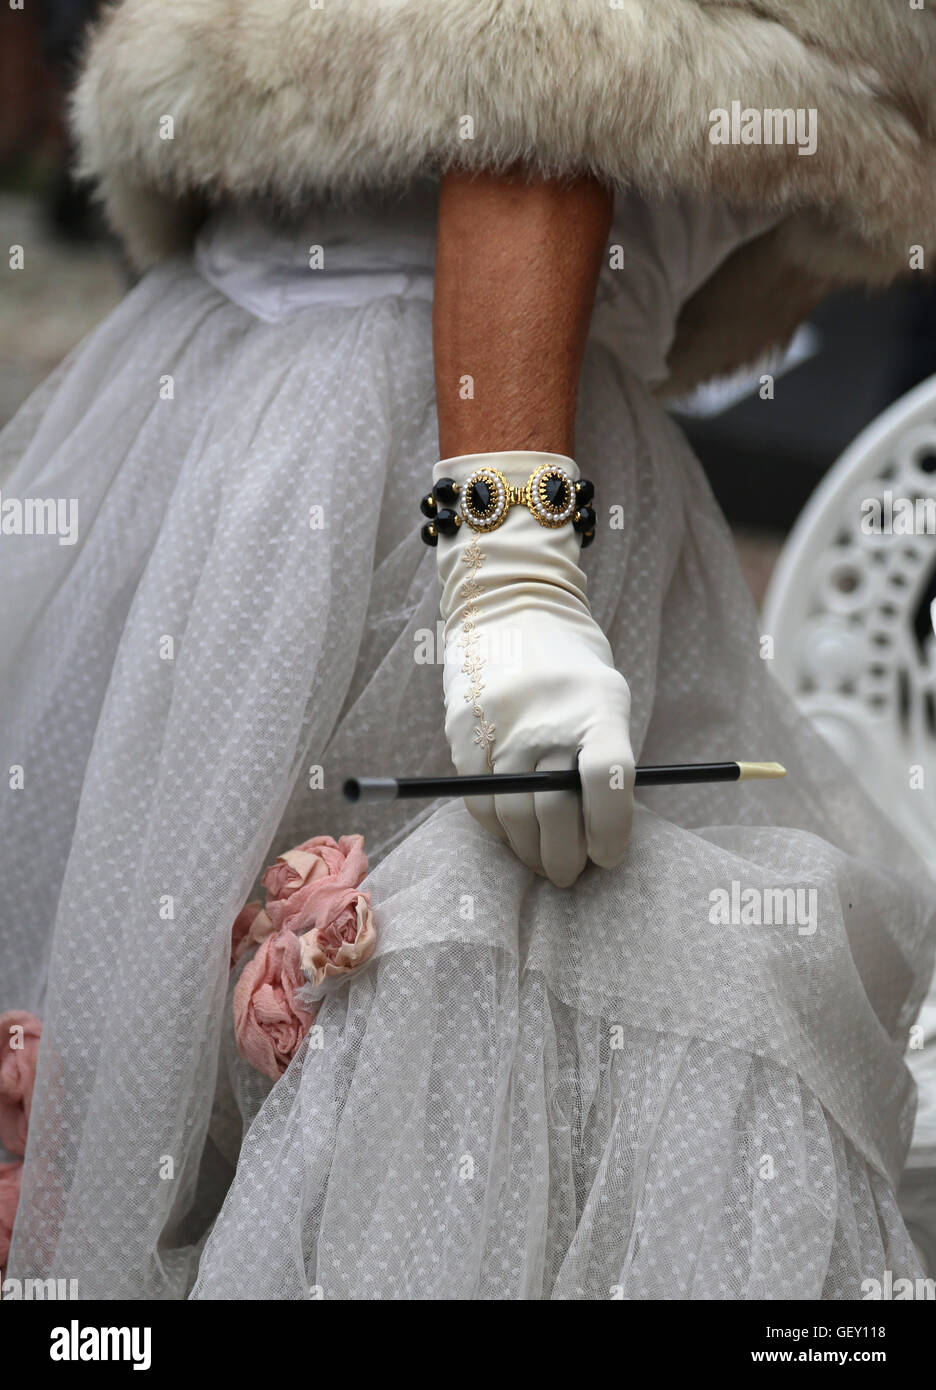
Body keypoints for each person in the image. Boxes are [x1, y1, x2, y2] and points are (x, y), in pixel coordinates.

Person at [2, 0, 936, 1299]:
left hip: (234, 419)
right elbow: (536, 69)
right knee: (455, 1053)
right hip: (413, 455)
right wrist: (511, 570)